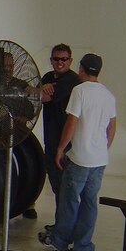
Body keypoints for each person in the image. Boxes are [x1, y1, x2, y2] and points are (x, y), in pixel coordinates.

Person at [38, 53, 116, 251]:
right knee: (90, 203)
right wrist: (104, 147)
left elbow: (71, 122)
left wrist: (60, 149)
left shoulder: (79, 91)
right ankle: (83, 248)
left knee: (69, 201)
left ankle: (61, 242)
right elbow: (112, 126)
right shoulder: (108, 95)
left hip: (79, 158)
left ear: (81, 68)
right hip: (100, 160)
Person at [37, 43, 81, 234]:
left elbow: (42, 98)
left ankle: (66, 229)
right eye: (56, 59)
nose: (60, 62)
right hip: (51, 141)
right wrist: (40, 89)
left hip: (66, 145)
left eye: (64, 59)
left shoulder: (72, 80)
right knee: (57, 186)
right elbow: (36, 95)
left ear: (70, 61)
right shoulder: (48, 77)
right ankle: (62, 225)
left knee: (65, 189)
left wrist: (38, 91)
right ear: (51, 60)